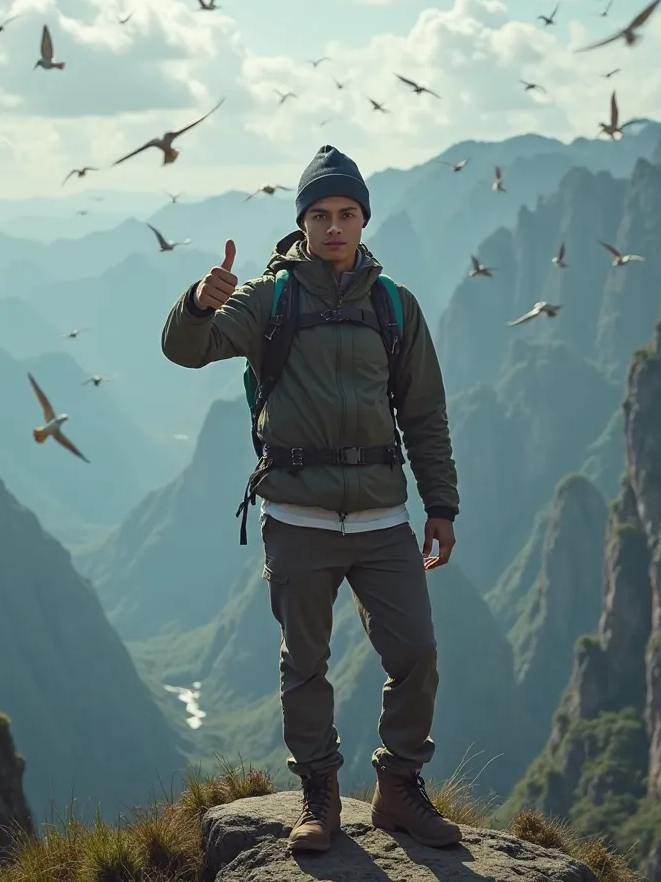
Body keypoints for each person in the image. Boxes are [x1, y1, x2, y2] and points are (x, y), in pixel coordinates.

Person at [161, 144, 462, 852]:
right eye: (321, 214)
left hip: (384, 516)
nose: (334, 226)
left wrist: (441, 507)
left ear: (363, 220)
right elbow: (186, 350)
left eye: (347, 213)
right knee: (306, 662)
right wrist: (198, 305)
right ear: (302, 222)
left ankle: (398, 787)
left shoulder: (394, 306)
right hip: (296, 516)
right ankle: (319, 795)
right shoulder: (270, 298)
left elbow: (424, 414)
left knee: (415, 651)